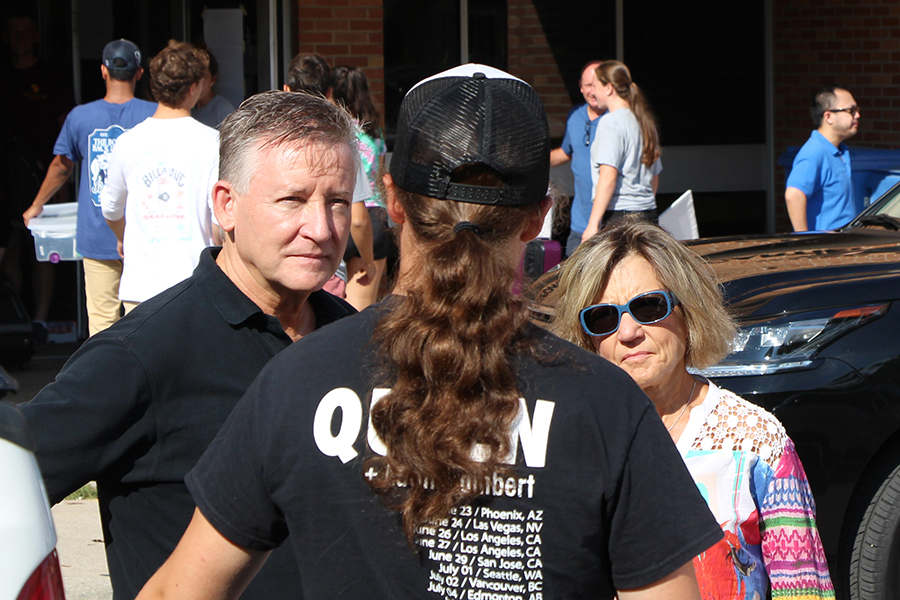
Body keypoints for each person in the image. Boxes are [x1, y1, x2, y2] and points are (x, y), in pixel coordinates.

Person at [137, 64, 722, 600]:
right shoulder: (603, 403)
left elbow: (179, 591)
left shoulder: (297, 381)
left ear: (392, 200)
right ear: (538, 216)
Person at [20, 90, 358, 599]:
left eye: (337, 202)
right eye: (293, 200)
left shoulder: (354, 340)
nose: (321, 228)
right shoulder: (143, 355)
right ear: (227, 205)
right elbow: (13, 478)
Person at [551, 217, 835, 600]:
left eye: (649, 306)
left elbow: (805, 593)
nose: (628, 332)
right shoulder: (567, 442)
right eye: (603, 317)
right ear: (587, 338)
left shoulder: (757, 443)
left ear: (689, 313)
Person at [23, 39, 157, 336]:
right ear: (139, 73)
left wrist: (37, 205)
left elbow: (61, 167)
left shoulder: (80, 117)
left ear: (103, 71)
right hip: (146, 234)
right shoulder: (156, 114)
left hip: (97, 235)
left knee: (101, 324)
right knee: (145, 323)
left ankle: (108, 382)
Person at [100, 40, 218, 312]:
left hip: (141, 286)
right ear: (193, 87)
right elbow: (219, 224)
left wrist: (123, 237)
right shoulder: (213, 143)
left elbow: (111, 208)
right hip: (195, 284)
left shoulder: (128, 142)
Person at [0, 13, 74, 335]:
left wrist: (62, 183)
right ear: (5, 37)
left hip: (45, 174)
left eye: (26, 32)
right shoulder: (1, 75)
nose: (20, 38)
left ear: (37, 36)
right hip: (6, 176)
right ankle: (15, 318)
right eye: (14, 33)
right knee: (11, 248)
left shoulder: (51, 76)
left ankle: (40, 321)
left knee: (43, 251)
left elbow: (65, 129)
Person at [284, 53, 376, 297]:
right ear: (329, 92)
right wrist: (369, 261)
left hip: (280, 272)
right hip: (326, 273)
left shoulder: (271, 145)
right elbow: (357, 218)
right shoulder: (342, 143)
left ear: (286, 89)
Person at [583, 60, 662, 242]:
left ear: (609, 88)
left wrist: (593, 224)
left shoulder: (610, 123)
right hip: (648, 213)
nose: (593, 92)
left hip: (620, 218)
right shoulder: (645, 122)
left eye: (595, 86)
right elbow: (654, 177)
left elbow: (608, 177)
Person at [331, 64, 390, 309]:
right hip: (373, 219)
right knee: (360, 311)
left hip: (340, 211)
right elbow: (379, 176)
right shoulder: (372, 132)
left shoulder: (335, 131)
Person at [785, 86, 861, 232]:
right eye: (851, 111)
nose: (857, 115)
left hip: (842, 247)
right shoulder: (814, 152)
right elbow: (793, 195)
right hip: (826, 250)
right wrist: (805, 241)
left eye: (857, 110)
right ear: (828, 117)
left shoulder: (839, 151)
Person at [549, 59, 604, 257]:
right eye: (588, 85)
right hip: (579, 223)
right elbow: (566, 152)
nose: (592, 91)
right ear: (581, 87)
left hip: (610, 223)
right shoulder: (575, 115)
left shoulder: (617, 120)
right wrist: (534, 160)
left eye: (597, 85)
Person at [191, 47, 235, 128]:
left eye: (204, 78)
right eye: (195, 78)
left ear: (213, 80)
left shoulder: (222, 110)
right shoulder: (190, 109)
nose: (198, 84)